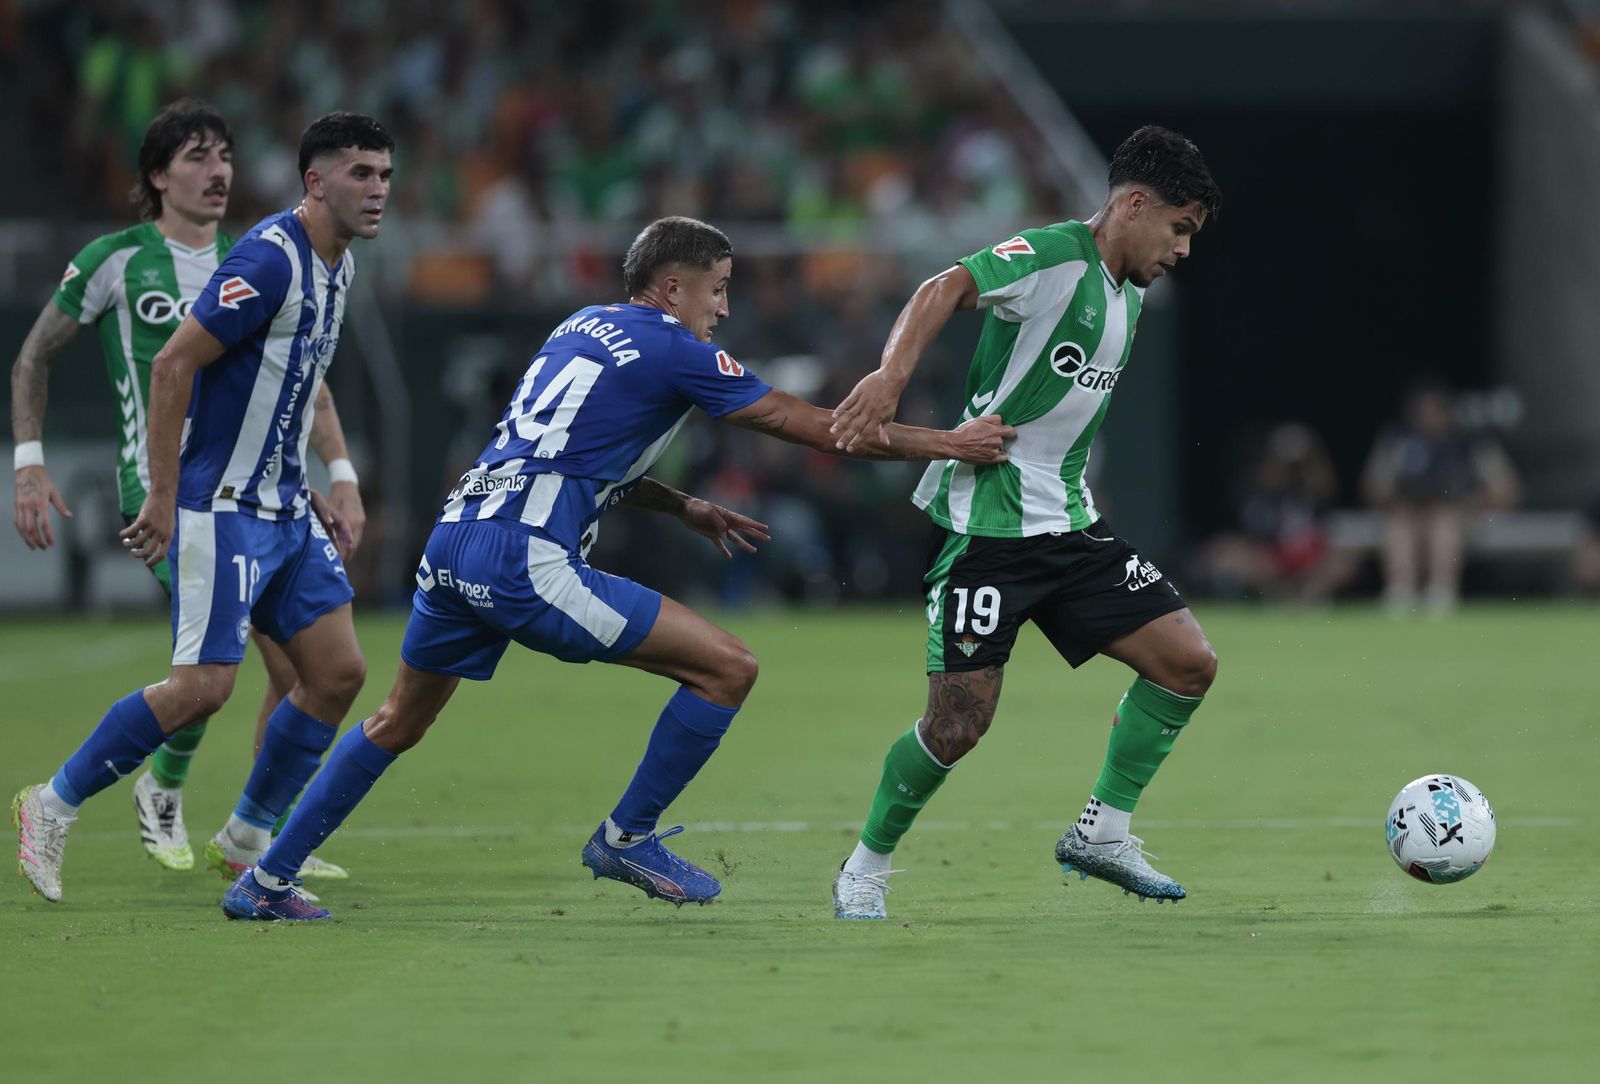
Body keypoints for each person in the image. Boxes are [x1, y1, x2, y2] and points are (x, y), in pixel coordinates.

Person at [217, 215, 1013, 920]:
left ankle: (267, 878)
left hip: (457, 536)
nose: (724, 309)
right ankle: (627, 837)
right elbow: (815, 427)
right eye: (717, 290)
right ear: (672, 287)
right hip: (525, 560)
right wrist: (951, 443)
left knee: (398, 719)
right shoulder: (675, 346)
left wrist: (684, 507)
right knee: (728, 669)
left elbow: (570, 451)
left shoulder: (580, 325)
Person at [826, 126, 1223, 919]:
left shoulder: (1130, 293)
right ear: (1134, 204)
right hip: (989, 531)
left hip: (1070, 527)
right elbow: (943, 285)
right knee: (956, 725)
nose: (1183, 250)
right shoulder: (1055, 256)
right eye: (1179, 228)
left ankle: (1102, 833)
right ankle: (864, 868)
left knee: (1187, 662)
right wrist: (889, 375)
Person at [12, 112, 395, 904]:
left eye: (386, 174)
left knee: (336, 672)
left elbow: (297, 387)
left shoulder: (339, 265)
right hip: (220, 507)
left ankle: (252, 839)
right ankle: (50, 803)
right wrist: (160, 493)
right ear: (315, 183)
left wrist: (334, 480)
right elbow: (173, 367)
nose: (379, 190)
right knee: (203, 687)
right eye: (362, 173)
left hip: (286, 506)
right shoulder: (268, 257)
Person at [1361, 380, 1519, 614]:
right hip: (1408, 514)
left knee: (1443, 521)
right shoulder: (1398, 441)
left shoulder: (1471, 443)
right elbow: (1373, 489)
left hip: (1460, 515)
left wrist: (1477, 503)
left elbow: (1507, 488)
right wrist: (1398, 499)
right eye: (1420, 411)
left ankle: (1441, 590)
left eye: (1434, 410)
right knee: (1400, 522)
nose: (1427, 417)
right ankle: (1401, 590)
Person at [1197, 422, 1356, 603]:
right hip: (1272, 559)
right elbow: (1255, 538)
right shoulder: (1259, 495)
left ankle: (1310, 595)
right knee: (1229, 554)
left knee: (1342, 561)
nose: (1289, 470)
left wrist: (1307, 457)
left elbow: (1326, 488)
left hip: (1309, 557)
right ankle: (1278, 596)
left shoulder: (1309, 490)